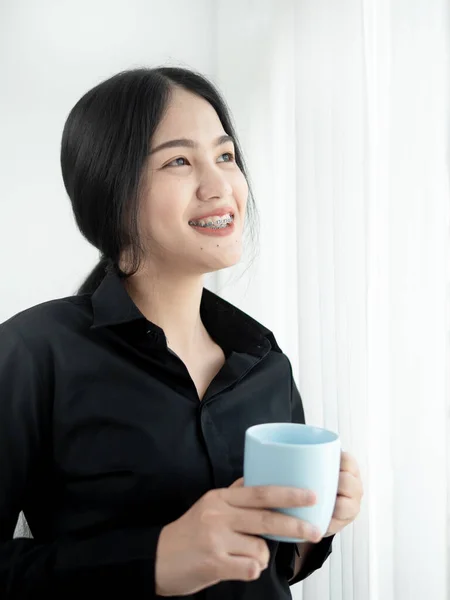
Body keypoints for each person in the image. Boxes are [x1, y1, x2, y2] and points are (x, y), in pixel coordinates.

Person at [0, 67, 363, 599]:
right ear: (112, 188)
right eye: (178, 160)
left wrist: (315, 527)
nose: (220, 186)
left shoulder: (264, 364)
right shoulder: (34, 352)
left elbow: (268, 567)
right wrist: (154, 560)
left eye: (225, 156)